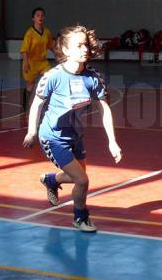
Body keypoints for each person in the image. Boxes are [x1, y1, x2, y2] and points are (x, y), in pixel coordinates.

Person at [22, 25, 122, 232]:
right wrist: (32, 131)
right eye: (78, 45)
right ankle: (80, 218)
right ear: (66, 51)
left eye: (85, 44)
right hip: (53, 137)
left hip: (76, 136)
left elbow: (104, 109)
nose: (84, 49)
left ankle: (51, 179)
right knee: (82, 180)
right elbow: (37, 104)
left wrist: (112, 141)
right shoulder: (53, 77)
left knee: (77, 176)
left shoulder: (92, 78)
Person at [20, 7, 53, 109]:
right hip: (31, 62)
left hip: (43, 62)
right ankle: (24, 104)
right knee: (30, 85)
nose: (40, 17)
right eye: (38, 15)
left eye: (42, 15)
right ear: (33, 19)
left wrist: (59, 54)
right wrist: (26, 62)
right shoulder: (29, 33)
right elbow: (24, 49)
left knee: (49, 79)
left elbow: (51, 45)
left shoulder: (47, 32)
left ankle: (46, 103)